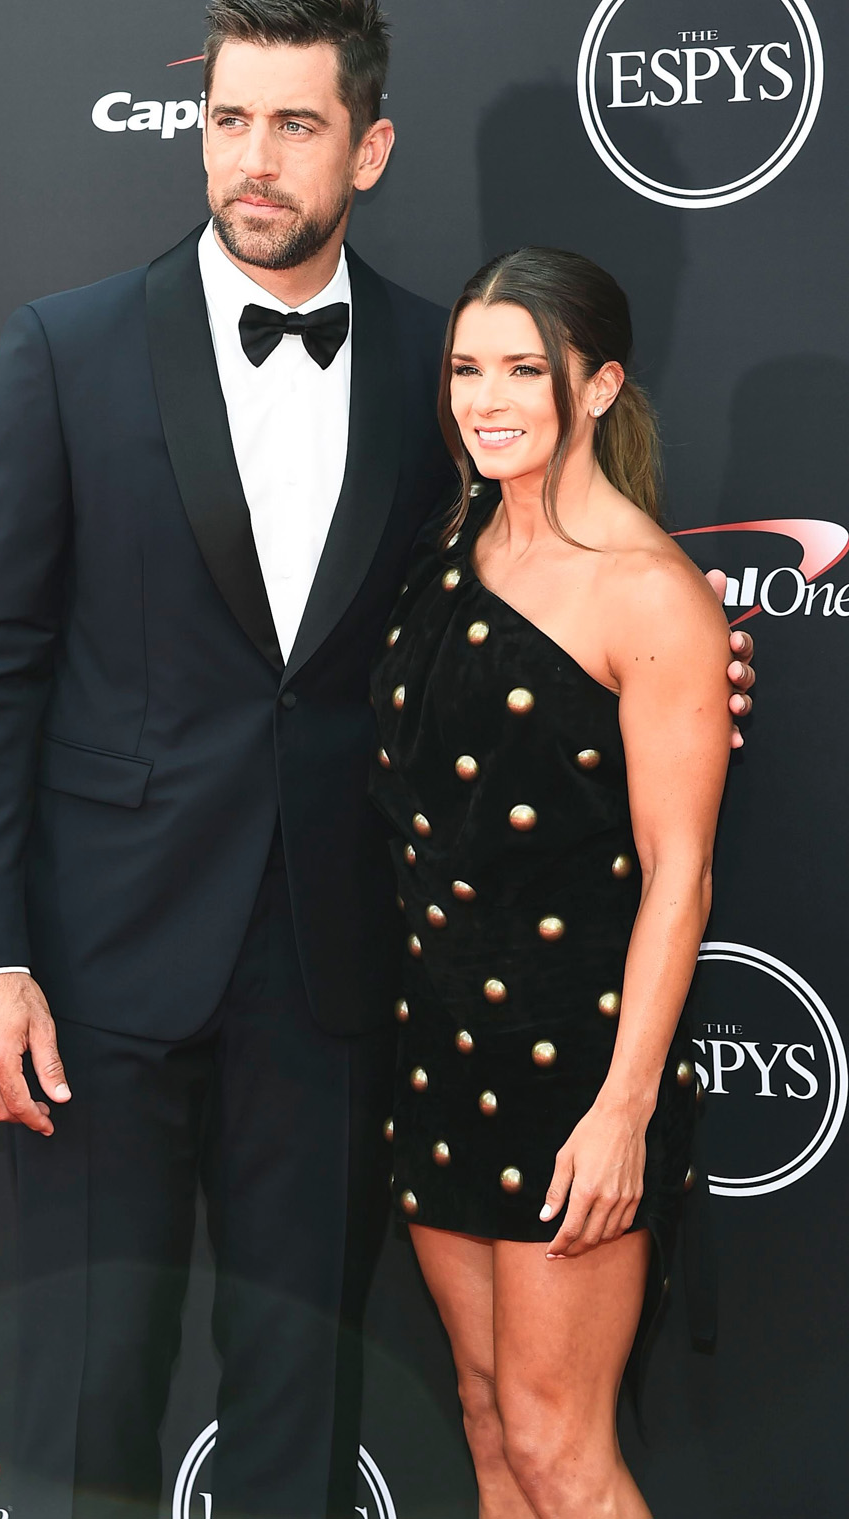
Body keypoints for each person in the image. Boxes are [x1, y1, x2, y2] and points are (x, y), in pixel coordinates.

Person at [0, 0, 753, 1519]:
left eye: (295, 125)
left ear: (365, 151)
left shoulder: (455, 371)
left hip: (345, 972)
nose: (254, 157)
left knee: (300, 1401)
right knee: (87, 1394)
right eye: (228, 119)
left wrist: (702, 670)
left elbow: (553, 601)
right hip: (98, 972)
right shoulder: (68, 345)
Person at [370, 247, 733, 1519]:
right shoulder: (452, 539)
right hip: (441, 1052)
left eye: (524, 366)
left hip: (573, 1070)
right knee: (485, 1419)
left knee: (558, 1444)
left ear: (599, 386)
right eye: (468, 367)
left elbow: (679, 880)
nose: (487, 396)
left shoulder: (653, 595)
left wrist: (623, 1106)